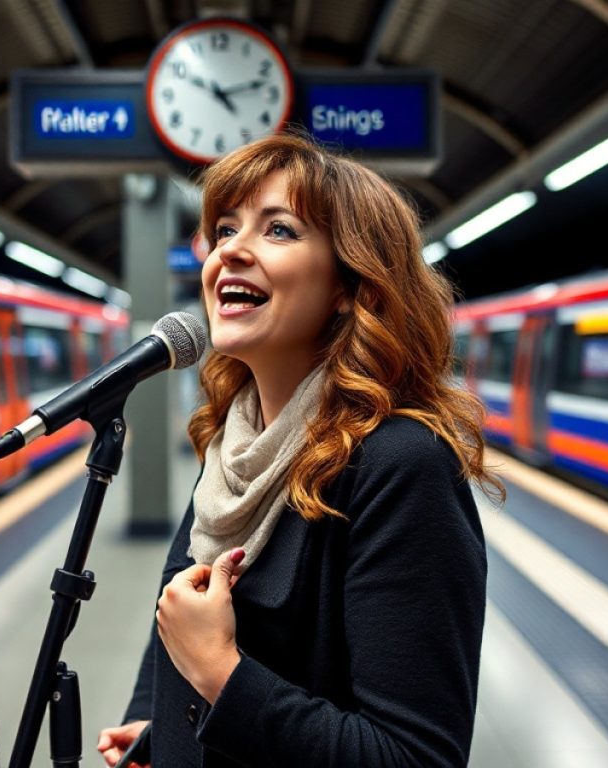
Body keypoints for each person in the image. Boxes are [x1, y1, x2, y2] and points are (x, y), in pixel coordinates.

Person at [97, 132, 502, 767]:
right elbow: (183, 607)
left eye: (278, 230)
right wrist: (156, 726)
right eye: (225, 229)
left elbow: (415, 757)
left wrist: (222, 675)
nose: (232, 249)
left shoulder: (401, 466)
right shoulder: (233, 441)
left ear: (351, 284)